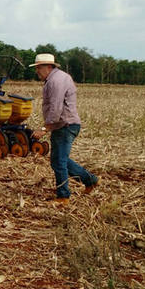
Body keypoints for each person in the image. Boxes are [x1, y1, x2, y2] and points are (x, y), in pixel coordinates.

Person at [30, 53, 99, 204]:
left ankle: (63, 196)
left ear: (48, 67)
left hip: (65, 126)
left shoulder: (55, 81)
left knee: (59, 162)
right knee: (58, 160)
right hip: (64, 125)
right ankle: (90, 180)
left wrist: (44, 128)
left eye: (39, 68)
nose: (37, 71)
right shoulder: (59, 77)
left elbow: (55, 108)